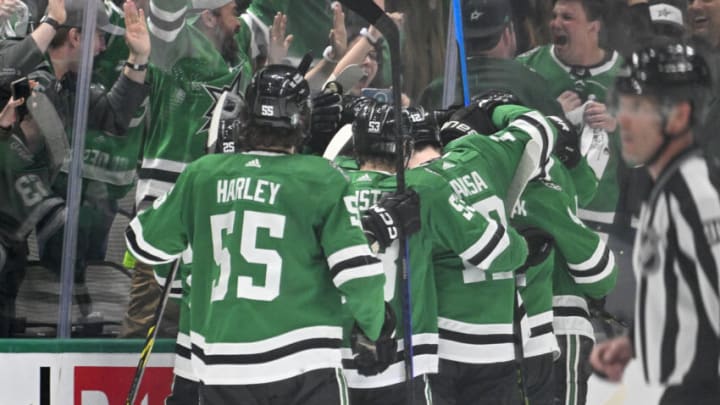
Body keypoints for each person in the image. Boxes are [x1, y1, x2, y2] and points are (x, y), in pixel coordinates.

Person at [125, 63, 411, 404]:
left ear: (247, 118)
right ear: (303, 120)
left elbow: (142, 244)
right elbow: (358, 275)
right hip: (304, 367)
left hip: (221, 366)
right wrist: (377, 328)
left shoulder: (202, 175)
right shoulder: (323, 178)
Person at [342, 102, 529, 405]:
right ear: (406, 146)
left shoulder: (330, 187)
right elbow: (498, 252)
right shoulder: (425, 187)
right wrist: (522, 244)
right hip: (407, 357)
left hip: (330, 356)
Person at [590, 39, 720, 405]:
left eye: (640, 108)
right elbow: (687, 298)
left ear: (678, 116)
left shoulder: (697, 196)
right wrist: (638, 344)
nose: (624, 120)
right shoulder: (663, 187)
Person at [413, 92, 556, 405]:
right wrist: (493, 108)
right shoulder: (482, 153)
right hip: (501, 340)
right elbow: (539, 128)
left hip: (444, 341)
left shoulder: (416, 184)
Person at [511, 116, 618, 405]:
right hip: (560, 321)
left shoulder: (488, 183)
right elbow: (600, 278)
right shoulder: (548, 198)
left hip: (497, 327)